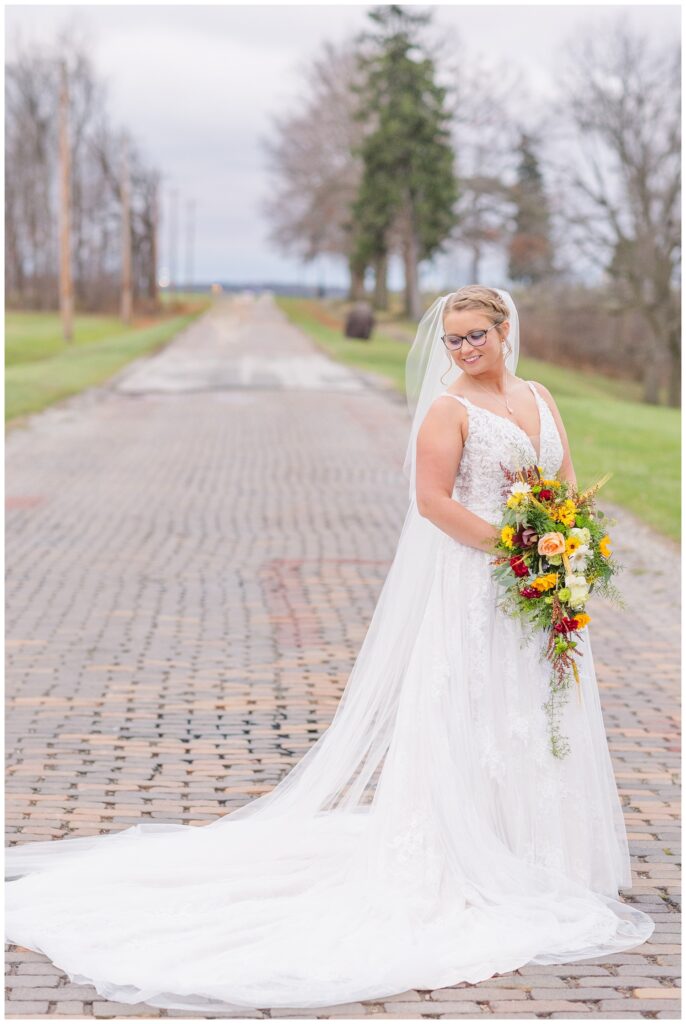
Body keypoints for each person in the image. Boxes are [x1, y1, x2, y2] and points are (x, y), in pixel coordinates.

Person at [5, 286, 654, 1013]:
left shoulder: (539, 394)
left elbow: (565, 483)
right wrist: (515, 546)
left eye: (476, 336)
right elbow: (434, 502)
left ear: (506, 331)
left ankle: (543, 855)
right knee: (473, 710)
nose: (465, 351)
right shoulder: (448, 410)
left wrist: (569, 550)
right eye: (453, 341)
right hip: (480, 584)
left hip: (542, 586)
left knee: (540, 712)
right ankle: (466, 852)